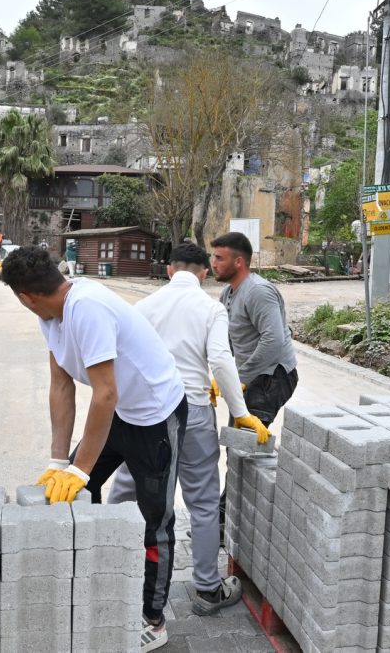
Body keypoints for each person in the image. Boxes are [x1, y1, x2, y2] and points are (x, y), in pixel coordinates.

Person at [0, 246, 187, 653]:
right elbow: (61, 385)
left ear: (25, 296)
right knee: (73, 488)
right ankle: (95, 570)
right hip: (121, 412)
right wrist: (58, 461)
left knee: (157, 519)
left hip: (156, 415)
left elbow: (104, 394)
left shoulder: (88, 308)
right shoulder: (51, 315)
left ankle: (154, 620)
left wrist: (81, 468)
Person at [107, 243, 269, 617]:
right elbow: (221, 360)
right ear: (204, 273)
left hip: (148, 412)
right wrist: (240, 411)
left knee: (129, 489)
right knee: (203, 502)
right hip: (193, 410)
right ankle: (208, 588)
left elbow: (122, 359)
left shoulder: (143, 308)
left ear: (168, 271)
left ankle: (112, 569)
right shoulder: (211, 308)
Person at [210, 231, 299, 426]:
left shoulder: (258, 292)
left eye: (219, 258)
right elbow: (230, 340)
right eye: (213, 257)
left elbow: (274, 340)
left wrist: (240, 377)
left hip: (272, 376)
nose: (213, 264)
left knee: (246, 441)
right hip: (251, 374)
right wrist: (221, 374)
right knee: (237, 435)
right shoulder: (228, 293)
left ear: (238, 262)